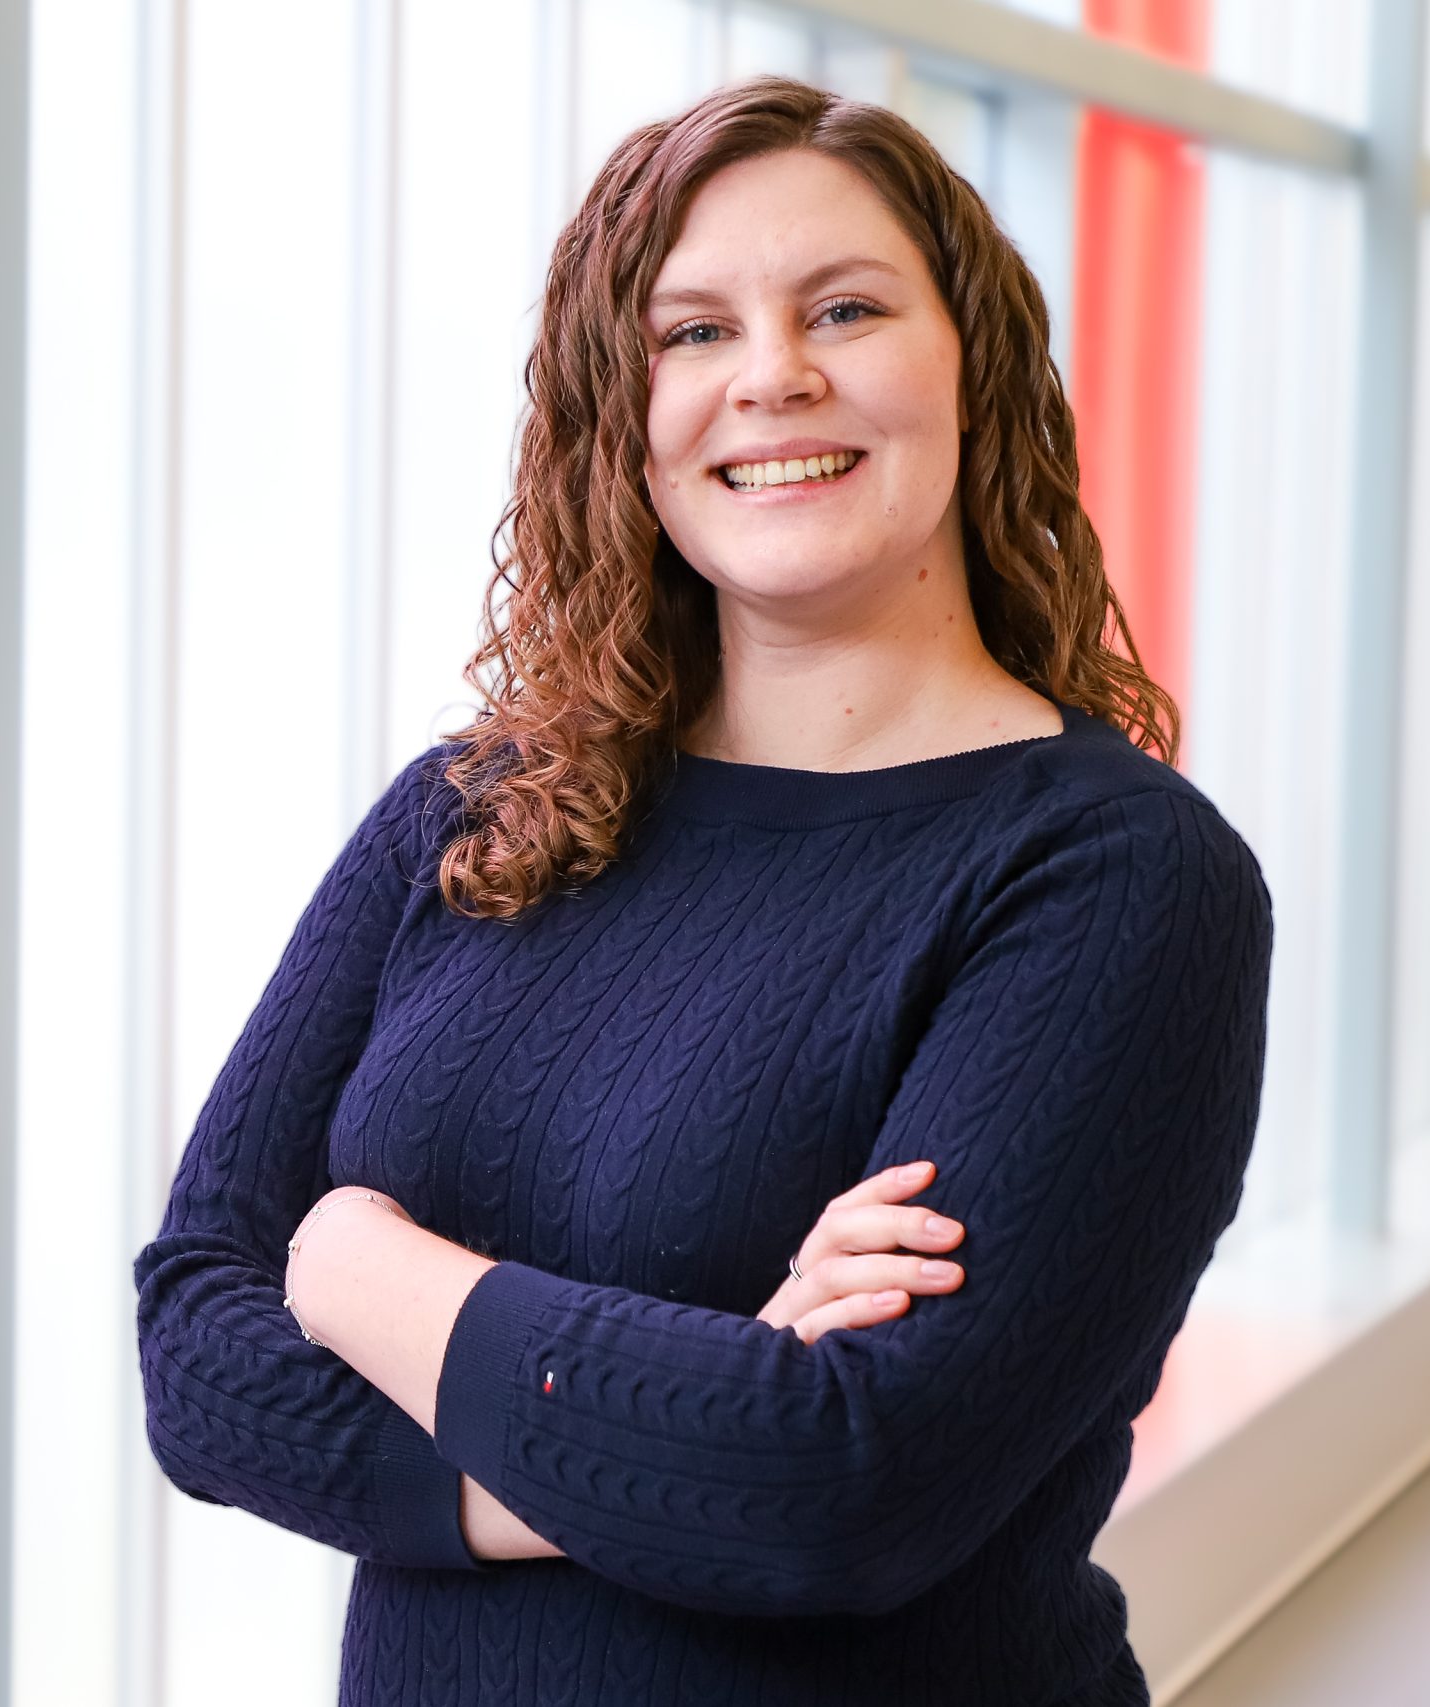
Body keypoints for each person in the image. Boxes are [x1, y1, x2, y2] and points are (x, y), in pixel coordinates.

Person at [132, 74, 1272, 1707]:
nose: (774, 378)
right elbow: (194, 1355)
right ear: (626, 418)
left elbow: (841, 1491)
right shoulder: (473, 813)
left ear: (976, 368)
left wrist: (351, 1270)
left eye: (848, 308)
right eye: (692, 334)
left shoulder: (1114, 880)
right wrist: (694, 1425)